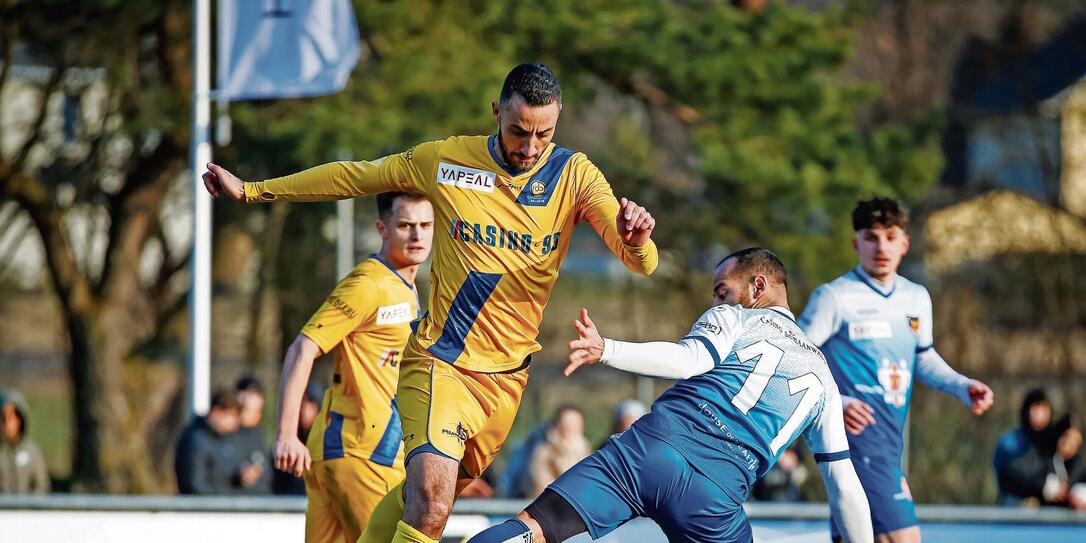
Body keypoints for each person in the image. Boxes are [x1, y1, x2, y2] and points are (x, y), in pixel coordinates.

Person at [203, 62, 659, 543]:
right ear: (495, 113)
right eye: (518, 131)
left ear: (558, 120)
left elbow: (641, 261)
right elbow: (357, 176)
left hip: (506, 381)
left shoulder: (576, 175)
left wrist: (638, 240)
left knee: (413, 502)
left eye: (543, 134)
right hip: (443, 364)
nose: (529, 148)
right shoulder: (446, 161)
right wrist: (255, 191)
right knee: (431, 508)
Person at [467, 248, 872, 543]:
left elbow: (688, 358)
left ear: (757, 285)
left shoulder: (734, 317)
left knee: (533, 529)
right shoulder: (824, 380)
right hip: (715, 495)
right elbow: (844, 484)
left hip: (651, 450)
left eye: (722, 290)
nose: (715, 301)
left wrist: (608, 349)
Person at [797, 197, 995, 543]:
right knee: (902, 537)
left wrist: (963, 386)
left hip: (890, 441)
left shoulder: (916, 298)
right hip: (856, 439)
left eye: (890, 236)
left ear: (905, 242)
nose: (881, 247)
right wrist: (838, 403)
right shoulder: (834, 297)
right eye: (871, 237)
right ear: (856, 243)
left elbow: (923, 357)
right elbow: (794, 359)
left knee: (855, 535)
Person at [272, 191, 434, 543]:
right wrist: (286, 434)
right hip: (364, 455)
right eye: (406, 225)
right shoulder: (369, 283)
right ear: (383, 228)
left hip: (340, 452)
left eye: (425, 225)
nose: (417, 235)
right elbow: (302, 348)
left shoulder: (405, 285)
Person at [174, 389, 254, 494]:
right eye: (232, 416)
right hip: (202, 508)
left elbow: (223, 476)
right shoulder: (194, 439)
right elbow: (194, 485)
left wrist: (239, 477)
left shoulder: (224, 437)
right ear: (216, 412)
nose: (235, 425)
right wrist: (228, 496)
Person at [993, 388, 1053, 505]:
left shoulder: (1055, 441)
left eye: (1043, 408)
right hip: (1015, 504)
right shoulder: (1009, 442)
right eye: (1035, 408)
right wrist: (1042, 486)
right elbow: (1008, 476)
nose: (1039, 413)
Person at [527, 406, 592, 498]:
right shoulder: (543, 451)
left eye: (576, 425)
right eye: (567, 425)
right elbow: (541, 485)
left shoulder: (586, 452)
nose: (571, 429)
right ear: (557, 426)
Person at [271, 382, 323, 496]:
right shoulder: (287, 440)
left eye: (309, 403)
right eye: (300, 403)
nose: (303, 409)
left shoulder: (324, 442)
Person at [0, 389, 50, 494]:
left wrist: (29, 507)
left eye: (11, 417)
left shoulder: (32, 452)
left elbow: (42, 486)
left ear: (20, 419)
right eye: (3, 417)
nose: (6, 423)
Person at [232, 375, 270, 494]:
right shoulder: (229, 432)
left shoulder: (260, 434)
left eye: (253, 394)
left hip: (260, 503)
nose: (248, 399)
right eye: (245, 393)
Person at [1044, 414, 1086, 511]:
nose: (1071, 445)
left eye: (1076, 441)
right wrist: (1045, 487)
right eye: (1067, 437)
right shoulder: (1042, 457)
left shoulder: (1077, 465)